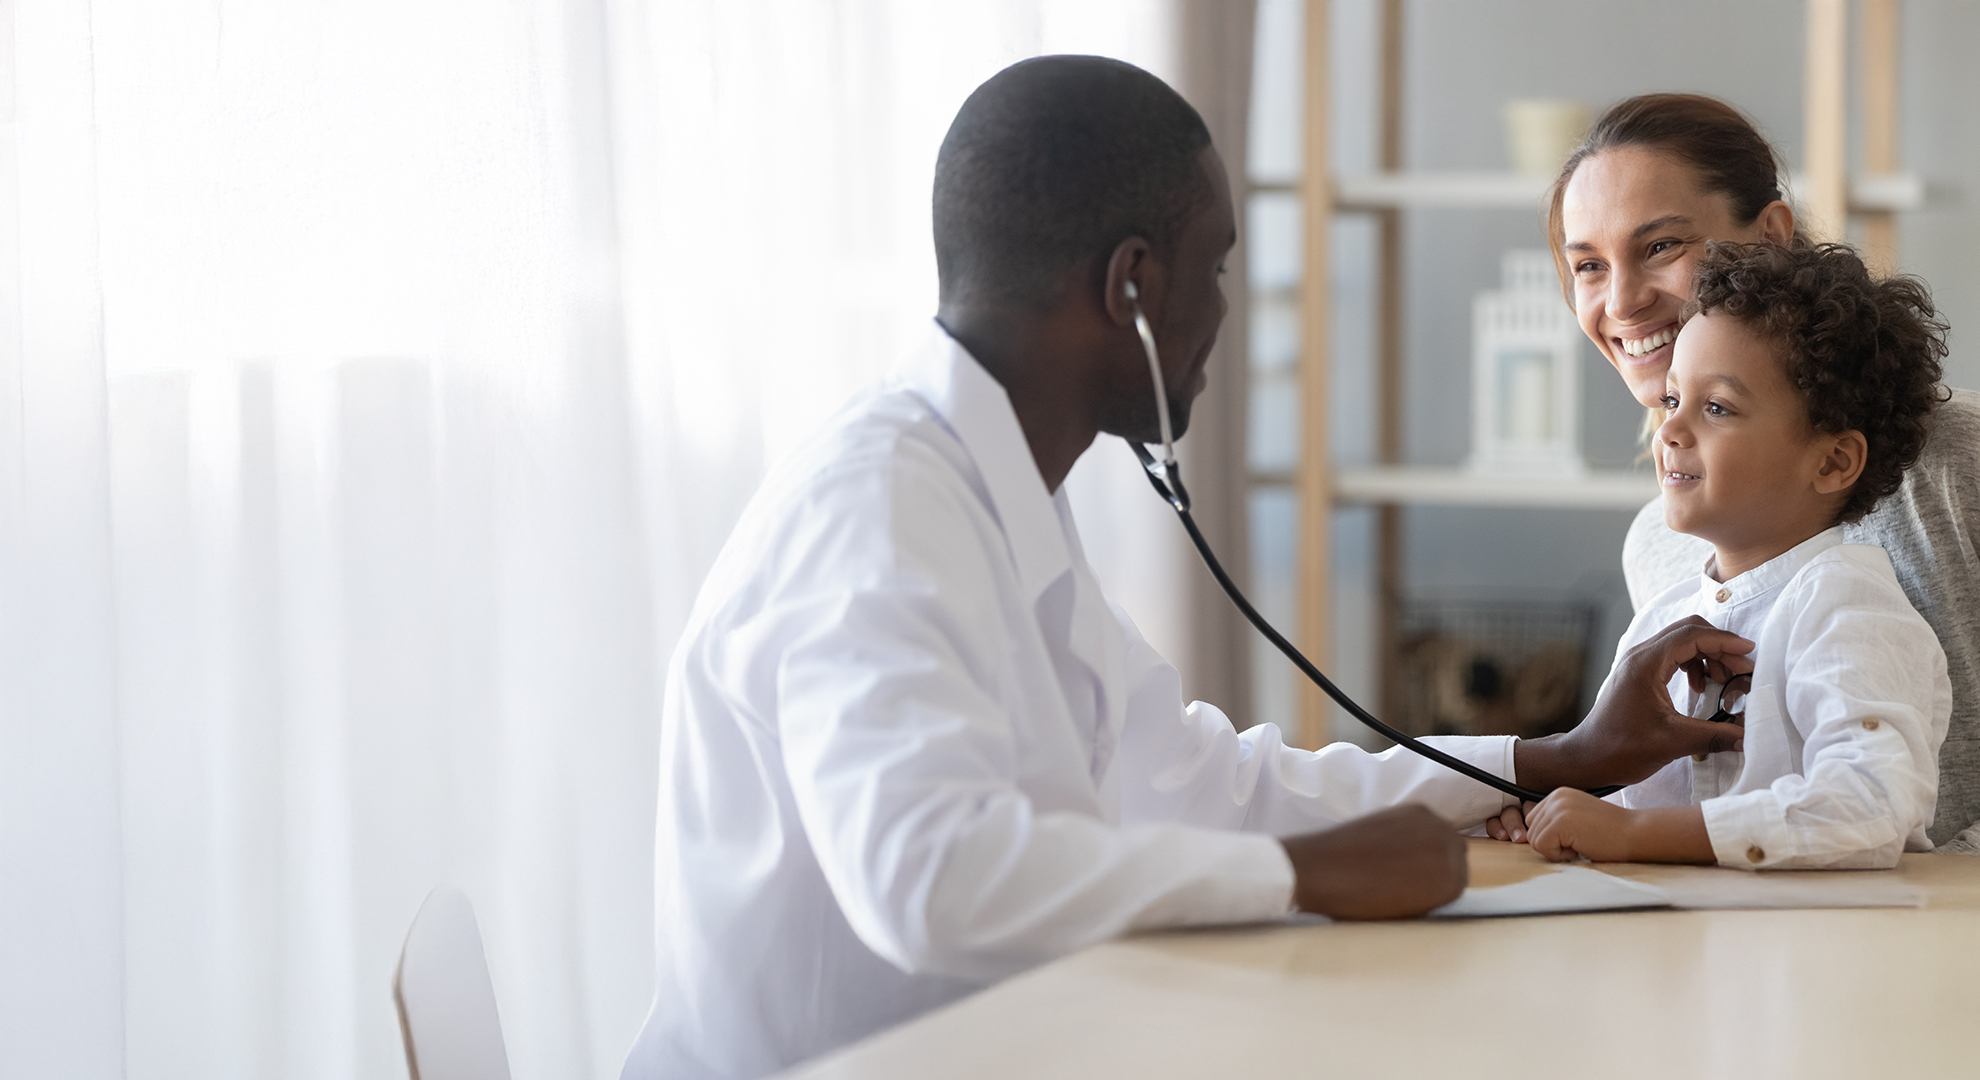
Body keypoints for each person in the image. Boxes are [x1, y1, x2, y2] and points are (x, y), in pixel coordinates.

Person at [620, 58, 1752, 1080]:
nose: (1223, 311)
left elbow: (1212, 782)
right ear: (1132, 288)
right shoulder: (876, 510)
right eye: (1213, 269)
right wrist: (1303, 879)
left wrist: (1558, 754)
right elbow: (931, 881)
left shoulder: (1001, 496)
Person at [1485, 94, 1980, 851]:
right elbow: (1683, 786)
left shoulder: (1956, 460)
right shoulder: (1664, 543)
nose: (1621, 300)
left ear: (1772, 237)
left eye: (1660, 247)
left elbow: (1865, 802)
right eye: (1588, 265)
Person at [1523, 242, 1951, 868]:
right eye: (1672, 400)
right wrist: (1557, 810)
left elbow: (1868, 806)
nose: (1669, 430)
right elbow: (1620, 799)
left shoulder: (1848, 610)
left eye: (1716, 407)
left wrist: (1633, 835)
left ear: (1832, 461)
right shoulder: (1660, 624)